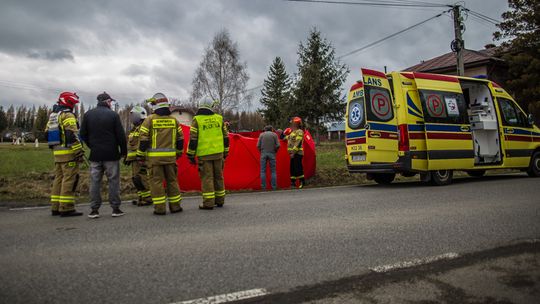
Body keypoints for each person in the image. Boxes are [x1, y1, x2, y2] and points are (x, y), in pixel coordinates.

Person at [80, 92, 127, 218]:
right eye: (110, 102)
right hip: (111, 154)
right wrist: (123, 152)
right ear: (107, 101)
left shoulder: (88, 114)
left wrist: (92, 146)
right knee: (113, 181)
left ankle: (94, 210)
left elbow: (83, 134)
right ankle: (115, 208)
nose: (111, 104)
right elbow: (121, 136)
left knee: (95, 182)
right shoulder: (113, 115)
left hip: (95, 155)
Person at [138, 93, 184, 215]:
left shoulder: (149, 120)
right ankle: (175, 207)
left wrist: (140, 155)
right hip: (170, 159)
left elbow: (143, 140)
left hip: (155, 161)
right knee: (172, 181)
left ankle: (160, 209)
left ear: (156, 106)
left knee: (156, 183)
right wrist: (178, 153)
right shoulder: (174, 121)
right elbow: (180, 139)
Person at [45, 92, 84, 217]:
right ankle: (66, 207)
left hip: (57, 154)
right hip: (69, 154)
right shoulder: (68, 115)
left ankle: (55, 207)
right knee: (69, 180)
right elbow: (72, 135)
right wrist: (79, 152)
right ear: (69, 103)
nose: (74, 106)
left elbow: (47, 134)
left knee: (59, 179)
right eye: (73, 103)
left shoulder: (53, 116)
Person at [186, 98, 229, 210]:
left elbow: (193, 139)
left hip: (204, 156)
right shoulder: (219, 118)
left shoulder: (197, 120)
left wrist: (190, 155)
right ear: (211, 106)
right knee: (219, 177)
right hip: (219, 154)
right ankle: (220, 201)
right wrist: (226, 152)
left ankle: (208, 203)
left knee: (207, 179)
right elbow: (226, 137)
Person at [124, 106, 152, 206]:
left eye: (134, 115)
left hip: (141, 159)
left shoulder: (143, 127)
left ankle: (148, 198)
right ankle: (141, 197)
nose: (132, 118)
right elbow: (131, 145)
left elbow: (142, 144)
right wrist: (127, 157)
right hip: (134, 159)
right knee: (136, 179)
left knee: (142, 178)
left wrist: (140, 156)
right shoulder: (134, 129)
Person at [257, 125, 280, 190]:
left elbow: (258, 145)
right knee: (273, 171)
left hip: (263, 153)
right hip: (272, 153)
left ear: (265, 129)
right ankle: (274, 187)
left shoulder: (261, 135)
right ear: (272, 129)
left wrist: (261, 151)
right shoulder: (274, 135)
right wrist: (275, 150)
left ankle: (263, 187)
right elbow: (278, 145)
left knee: (262, 171)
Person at [288, 117, 305, 189]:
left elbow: (298, 143)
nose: (292, 125)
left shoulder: (299, 131)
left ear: (297, 124)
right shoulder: (293, 132)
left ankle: (302, 182)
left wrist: (293, 153)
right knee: (292, 168)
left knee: (298, 168)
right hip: (292, 154)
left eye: (293, 123)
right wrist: (282, 135)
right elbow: (288, 138)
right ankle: (293, 183)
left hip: (298, 153)